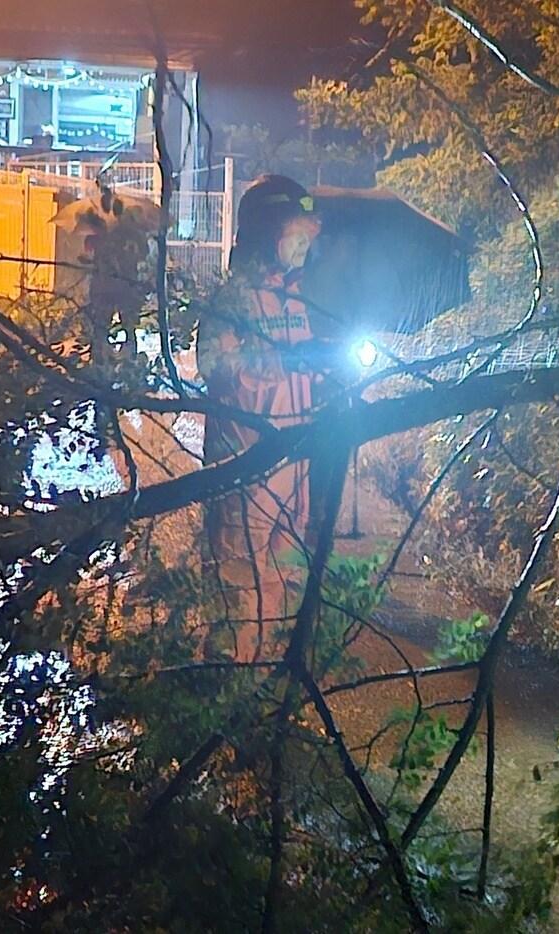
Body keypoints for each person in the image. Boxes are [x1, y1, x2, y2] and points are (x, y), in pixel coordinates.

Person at [198, 174, 322, 661]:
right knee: (237, 585)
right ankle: (224, 702)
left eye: (308, 237)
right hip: (245, 464)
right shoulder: (234, 300)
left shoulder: (294, 297)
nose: (303, 247)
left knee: (285, 577)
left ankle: (267, 691)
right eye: (296, 235)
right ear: (266, 233)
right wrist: (262, 364)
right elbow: (213, 365)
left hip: (294, 464)